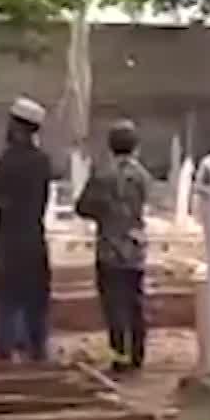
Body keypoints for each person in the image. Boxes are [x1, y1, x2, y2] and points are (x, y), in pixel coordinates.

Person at [0, 98, 54, 361]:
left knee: (8, 300)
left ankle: (6, 353)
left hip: (8, 239)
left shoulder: (7, 162)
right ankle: (39, 352)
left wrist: (3, 201)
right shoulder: (43, 162)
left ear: (17, 127)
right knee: (36, 298)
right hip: (34, 237)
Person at [75, 120, 153, 373]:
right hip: (135, 247)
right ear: (136, 146)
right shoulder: (142, 175)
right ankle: (138, 354)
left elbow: (82, 206)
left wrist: (102, 213)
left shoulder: (102, 175)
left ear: (110, 146)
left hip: (109, 247)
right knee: (135, 303)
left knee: (113, 304)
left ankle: (119, 355)